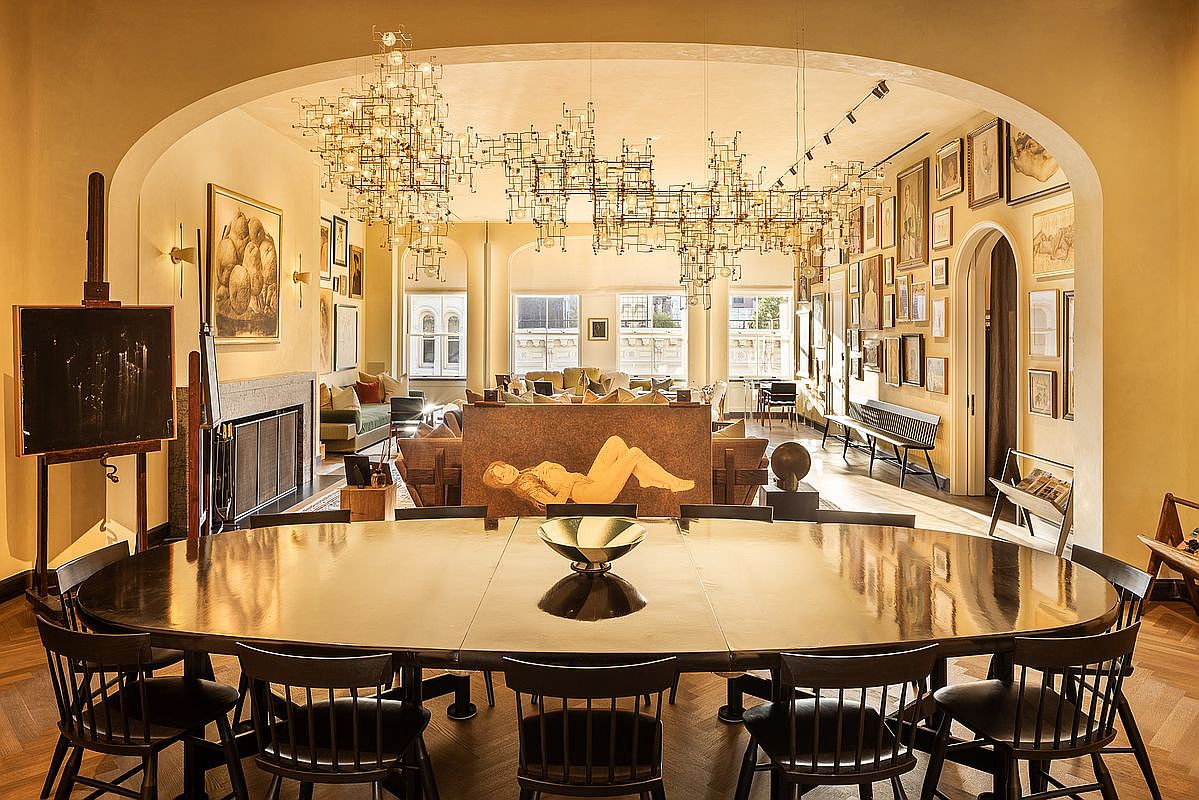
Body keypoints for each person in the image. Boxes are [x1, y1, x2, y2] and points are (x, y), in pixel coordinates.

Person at [481, 435, 695, 510]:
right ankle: (672, 483)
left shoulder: (526, 473)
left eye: (503, 467)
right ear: (502, 483)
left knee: (615, 442)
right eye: (501, 476)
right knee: (635, 454)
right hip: (589, 495)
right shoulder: (525, 486)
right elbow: (556, 506)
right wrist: (571, 478)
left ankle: (645, 478)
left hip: (586, 483)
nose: (507, 471)